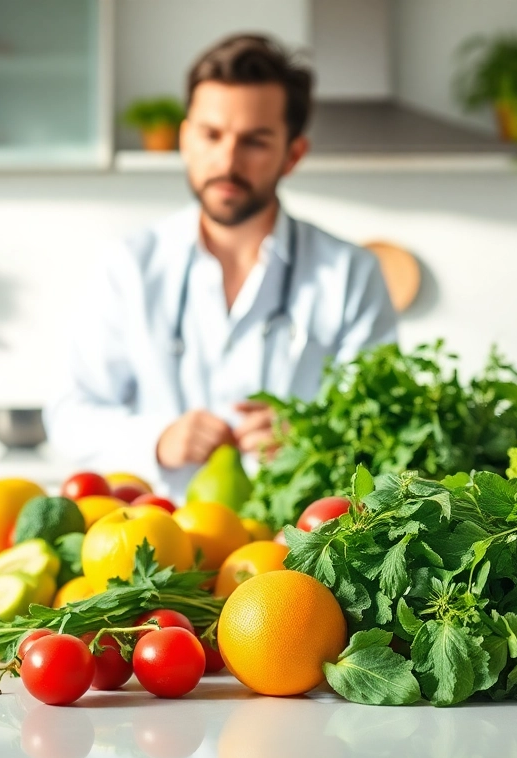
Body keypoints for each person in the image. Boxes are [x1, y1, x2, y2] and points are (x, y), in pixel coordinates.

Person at [46, 34, 398, 495]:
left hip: (302, 537)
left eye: (254, 141)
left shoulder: (351, 275)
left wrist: (313, 435)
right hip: (158, 531)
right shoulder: (128, 266)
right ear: (185, 139)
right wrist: (158, 439)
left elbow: (385, 430)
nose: (227, 161)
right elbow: (70, 415)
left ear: (293, 155)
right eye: (211, 135)